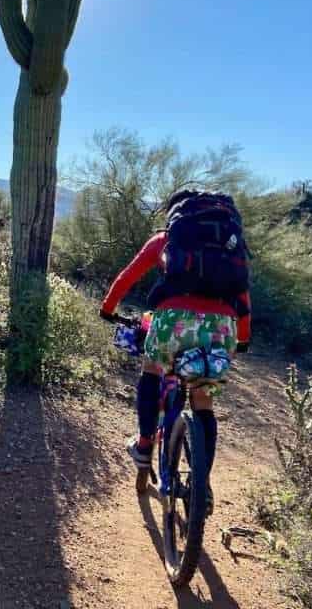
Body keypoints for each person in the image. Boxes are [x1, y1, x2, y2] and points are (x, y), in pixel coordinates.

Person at [99, 189, 251, 488]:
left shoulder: (166, 240)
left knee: (152, 370)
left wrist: (107, 309)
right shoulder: (234, 250)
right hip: (221, 328)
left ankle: (144, 445)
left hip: (172, 321)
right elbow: (243, 297)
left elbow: (127, 277)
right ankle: (202, 484)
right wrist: (243, 339)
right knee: (203, 401)